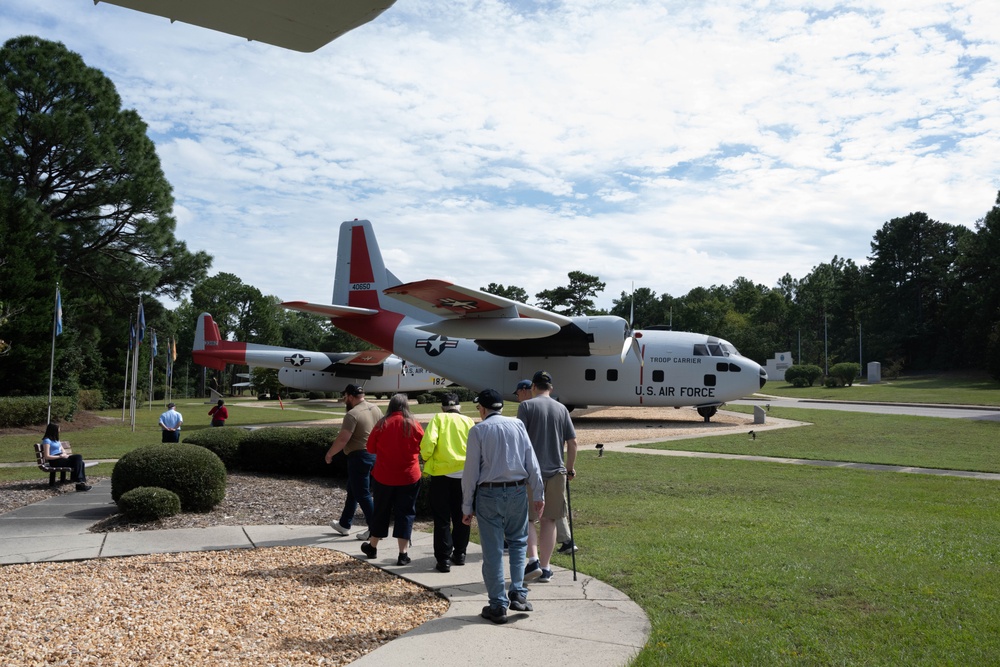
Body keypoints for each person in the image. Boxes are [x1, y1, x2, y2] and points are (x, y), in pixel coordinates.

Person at [462, 388, 544, 625]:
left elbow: (470, 472)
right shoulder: (518, 425)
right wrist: (538, 493)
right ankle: (518, 592)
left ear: (483, 408)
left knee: (493, 549)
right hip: (518, 490)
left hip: (489, 493)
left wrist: (467, 505)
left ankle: (498, 604)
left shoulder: (478, 430)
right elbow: (532, 461)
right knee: (519, 543)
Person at [517, 370, 578, 584]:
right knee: (549, 520)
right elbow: (572, 443)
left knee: (529, 518)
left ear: (533, 387)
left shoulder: (526, 406)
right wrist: (569, 469)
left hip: (530, 473)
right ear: (551, 388)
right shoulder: (561, 409)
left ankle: (532, 559)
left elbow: (520, 438)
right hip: (556, 471)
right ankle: (545, 567)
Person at [360, 394, 425, 566]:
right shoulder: (414, 424)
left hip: (384, 476)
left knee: (381, 511)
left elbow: (370, 448)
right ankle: (403, 554)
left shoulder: (382, 424)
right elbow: (423, 447)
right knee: (406, 513)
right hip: (409, 476)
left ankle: (372, 547)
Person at [419, 392, 475, 573]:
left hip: (442, 474)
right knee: (463, 516)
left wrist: (426, 457)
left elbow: (428, 443)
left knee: (442, 519)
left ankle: (443, 559)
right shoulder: (468, 421)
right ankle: (460, 553)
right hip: (464, 475)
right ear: (459, 407)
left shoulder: (439, 419)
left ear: (442, 407)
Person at [326, 384, 382, 540]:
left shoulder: (352, 414)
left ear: (350, 396)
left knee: (362, 494)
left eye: (345, 397)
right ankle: (344, 524)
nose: (344, 399)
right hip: (374, 455)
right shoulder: (375, 408)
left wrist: (330, 454)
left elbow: (343, 439)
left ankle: (374, 530)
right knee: (353, 491)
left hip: (359, 457)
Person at [40, 423, 91, 491]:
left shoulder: (56, 440)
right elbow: (47, 456)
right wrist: (59, 456)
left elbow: (62, 450)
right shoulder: (47, 440)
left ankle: (79, 482)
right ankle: (80, 484)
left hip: (62, 458)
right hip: (55, 460)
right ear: (54, 430)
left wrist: (64, 454)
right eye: (58, 428)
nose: (59, 430)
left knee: (79, 457)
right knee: (81, 463)